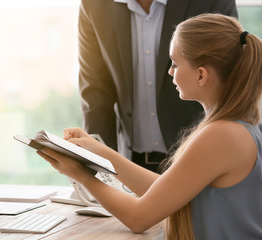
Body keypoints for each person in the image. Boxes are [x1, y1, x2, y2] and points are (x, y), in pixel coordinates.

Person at [38, 14, 262, 239]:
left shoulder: (221, 135)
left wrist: (81, 174)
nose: (170, 72)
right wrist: (98, 151)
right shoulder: (240, 126)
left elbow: (139, 218)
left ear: (201, 75)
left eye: (175, 63)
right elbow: (167, 191)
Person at [78, 0, 238, 172]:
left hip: (199, 160)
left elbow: (225, 84)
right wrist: (97, 166)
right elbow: (95, 91)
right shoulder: (94, 4)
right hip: (131, 161)